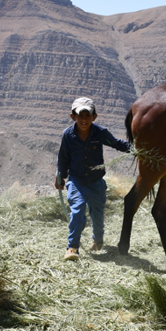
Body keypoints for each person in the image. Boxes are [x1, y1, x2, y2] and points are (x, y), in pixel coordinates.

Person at [55, 97, 131, 261]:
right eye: (80, 116)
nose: (84, 120)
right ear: (72, 116)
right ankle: (72, 247)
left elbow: (117, 143)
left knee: (97, 214)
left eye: (87, 116)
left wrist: (136, 149)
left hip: (96, 181)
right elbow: (63, 158)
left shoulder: (100, 132)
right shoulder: (68, 135)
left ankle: (97, 241)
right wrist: (60, 177)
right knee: (78, 210)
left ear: (94, 117)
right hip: (76, 180)